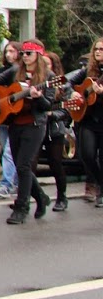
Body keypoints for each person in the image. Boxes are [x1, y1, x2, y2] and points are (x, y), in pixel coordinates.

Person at [0, 40, 55, 225]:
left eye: (29, 53)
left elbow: (48, 105)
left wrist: (38, 98)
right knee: (19, 165)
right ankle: (41, 197)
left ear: (38, 55)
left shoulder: (49, 76)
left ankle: (21, 207)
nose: (24, 57)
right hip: (15, 123)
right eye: (23, 53)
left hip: (35, 124)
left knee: (24, 165)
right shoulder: (16, 71)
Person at [64, 37, 103, 207]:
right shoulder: (87, 71)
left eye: (102, 49)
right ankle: (100, 183)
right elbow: (67, 82)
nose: (98, 52)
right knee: (87, 155)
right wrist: (72, 92)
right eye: (96, 49)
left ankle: (101, 193)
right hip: (88, 119)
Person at [39, 50, 74, 213]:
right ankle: (34, 196)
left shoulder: (63, 85)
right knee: (28, 164)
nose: (44, 68)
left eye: (47, 64)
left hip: (54, 129)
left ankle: (62, 196)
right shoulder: (36, 83)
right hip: (36, 127)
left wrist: (52, 115)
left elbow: (66, 111)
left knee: (55, 163)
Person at [0, 40, 21, 198]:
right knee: (6, 152)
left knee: (10, 152)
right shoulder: (2, 72)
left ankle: (6, 184)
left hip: (18, 118)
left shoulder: (22, 72)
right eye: (6, 51)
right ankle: (14, 183)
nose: (8, 54)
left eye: (12, 51)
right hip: (3, 118)